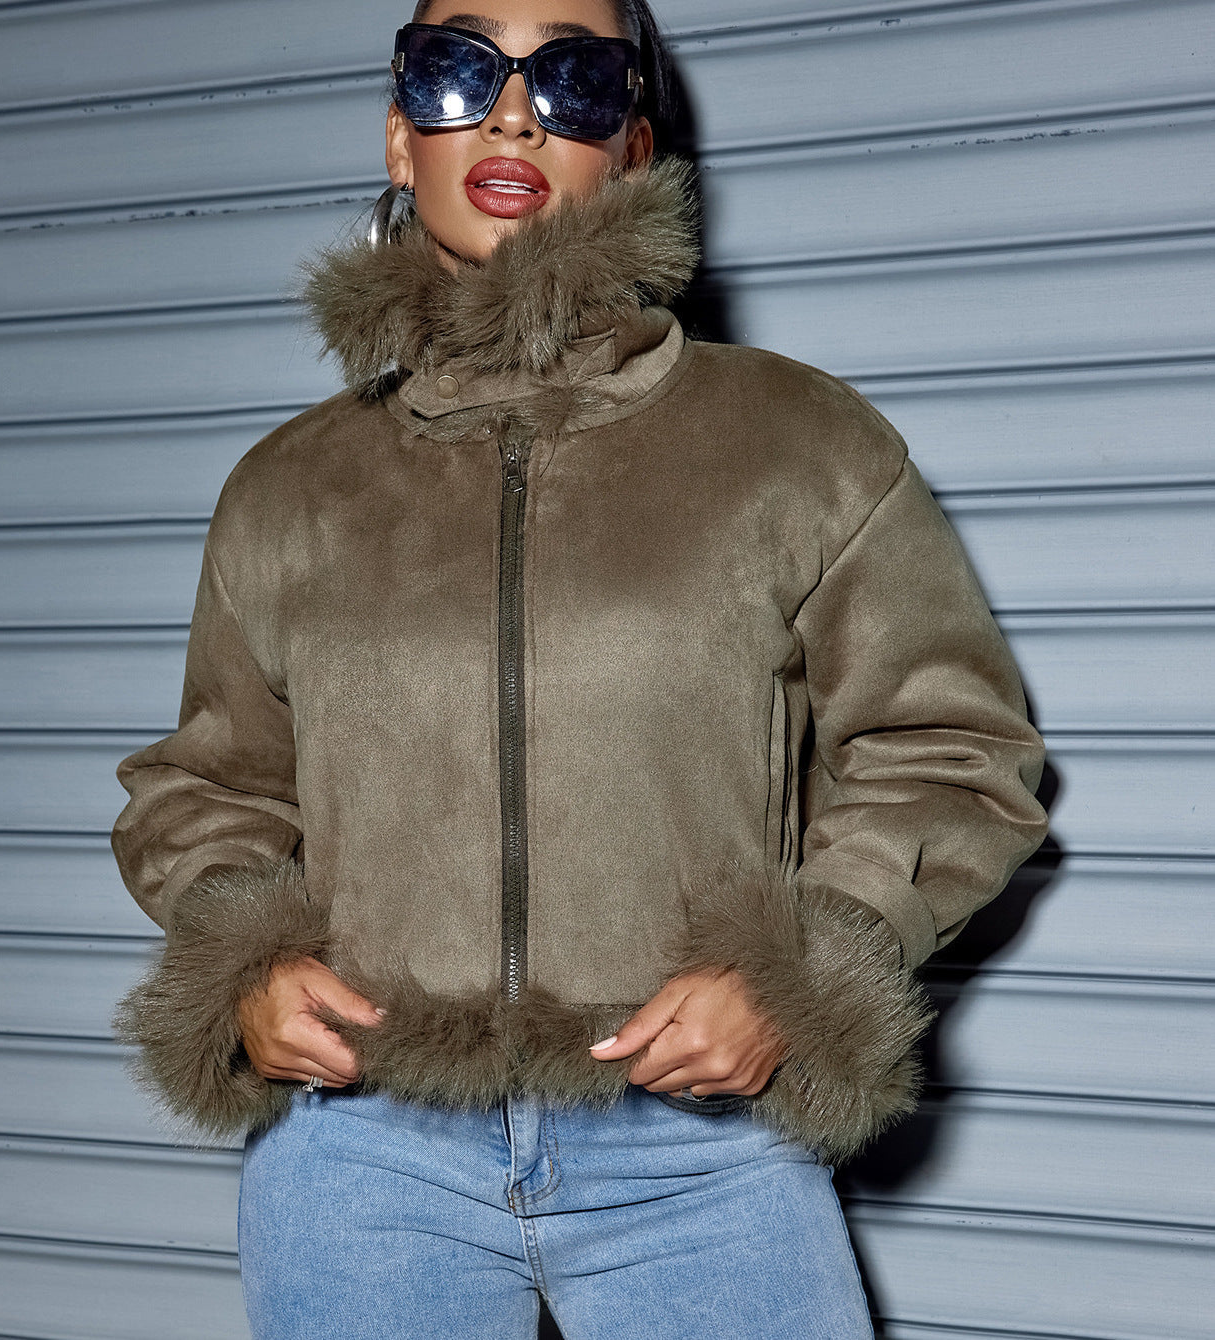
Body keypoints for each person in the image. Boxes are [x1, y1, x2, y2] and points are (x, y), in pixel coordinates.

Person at [109, 0, 1049, 1335]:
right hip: (362, 1150)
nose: (511, 113)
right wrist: (247, 958)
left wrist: (807, 961)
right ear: (400, 136)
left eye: (574, 77)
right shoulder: (289, 491)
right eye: (457, 69)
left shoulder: (797, 444)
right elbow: (210, 787)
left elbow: (951, 749)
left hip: (700, 1146)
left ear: (634, 145)